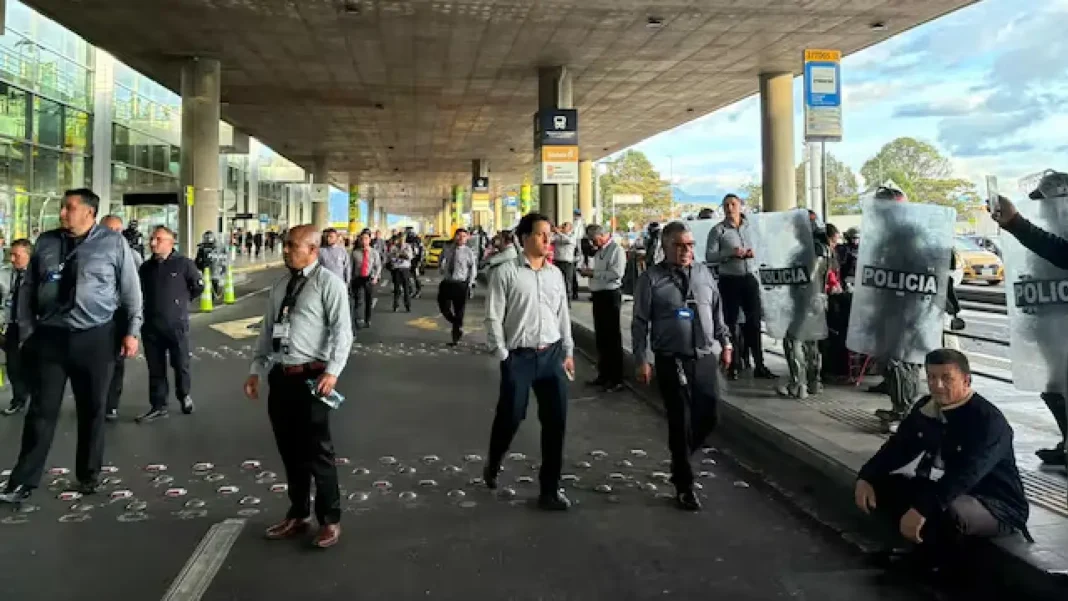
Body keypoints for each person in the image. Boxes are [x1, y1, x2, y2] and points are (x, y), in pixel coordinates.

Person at [0, 189, 143, 504]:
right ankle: (22, 482)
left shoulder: (113, 243)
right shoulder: (47, 243)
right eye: (63, 207)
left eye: (69, 208)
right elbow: (28, 289)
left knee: (92, 409)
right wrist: (27, 331)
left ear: (89, 213)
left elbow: (131, 290)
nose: (62, 213)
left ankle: (88, 475)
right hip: (51, 337)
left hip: (95, 337)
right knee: (41, 411)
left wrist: (132, 331)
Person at [855, 349, 1030, 569]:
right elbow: (898, 447)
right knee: (883, 487)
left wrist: (922, 508)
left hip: (994, 504)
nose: (937, 385)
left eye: (947, 378)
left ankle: (941, 567)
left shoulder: (988, 421)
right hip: (947, 487)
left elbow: (967, 475)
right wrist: (867, 475)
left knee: (946, 510)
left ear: (966, 380)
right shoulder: (927, 407)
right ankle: (911, 549)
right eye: (931, 377)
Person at [244, 224, 353, 548]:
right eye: (285, 244)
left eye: (293, 245)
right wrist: (256, 370)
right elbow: (267, 330)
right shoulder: (281, 285)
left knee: (318, 452)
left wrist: (332, 373)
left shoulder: (327, 284)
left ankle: (330, 520)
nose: (286, 250)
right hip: (282, 376)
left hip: (313, 377)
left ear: (312, 250)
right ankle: (299, 513)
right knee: (289, 451)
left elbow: (342, 333)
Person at [632, 221, 732, 511]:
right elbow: (640, 323)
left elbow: (716, 309)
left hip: (703, 355)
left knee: (710, 414)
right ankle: (685, 485)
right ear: (665, 247)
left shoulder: (703, 273)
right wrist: (642, 358)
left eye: (690, 245)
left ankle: (680, 460)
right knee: (680, 419)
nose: (686, 250)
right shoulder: (651, 279)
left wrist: (725, 343)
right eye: (679, 245)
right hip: (670, 358)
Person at [483, 212, 575, 511]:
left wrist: (568, 352)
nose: (548, 240)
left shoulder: (555, 274)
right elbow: (494, 315)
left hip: (552, 355)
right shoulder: (506, 273)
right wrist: (502, 353)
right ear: (524, 239)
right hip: (519, 357)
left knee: (555, 423)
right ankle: (494, 462)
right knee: (511, 416)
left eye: (549, 234)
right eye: (541, 234)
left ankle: (550, 490)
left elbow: (562, 314)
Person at [992, 186, 1068, 467]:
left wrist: (1016, 223)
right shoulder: (1055, 230)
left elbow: (1061, 253)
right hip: (1054, 330)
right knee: (1054, 387)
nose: (1046, 211)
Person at [136, 226, 204, 423]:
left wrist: (181, 303)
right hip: (151, 325)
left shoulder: (184, 264)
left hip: (176, 324)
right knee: (155, 368)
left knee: (180, 363)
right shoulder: (146, 268)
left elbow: (197, 287)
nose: (153, 243)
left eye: (158, 239)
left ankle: (184, 395)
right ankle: (158, 405)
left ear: (170, 242)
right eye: (151, 239)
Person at [706, 194, 774, 380]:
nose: (730, 208)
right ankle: (733, 364)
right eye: (726, 205)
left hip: (749, 278)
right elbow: (710, 256)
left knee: (754, 323)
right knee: (731, 324)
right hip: (729, 280)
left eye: (733, 204)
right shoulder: (717, 230)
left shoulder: (751, 228)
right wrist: (730, 253)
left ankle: (759, 364)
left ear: (740, 206)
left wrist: (754, 253)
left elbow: (764, 248)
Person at [101, 215, 143, 421]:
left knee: (116, 362)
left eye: (119, 230)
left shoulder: (133, 256)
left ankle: (111, 405)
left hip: (119, 315)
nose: (116, 234)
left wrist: (133, 331)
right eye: (111, 230)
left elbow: (136, 293)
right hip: (95, 317)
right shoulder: (89, 253)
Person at [581, 224, 626, 392]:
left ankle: (616, 378)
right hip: (598, 295)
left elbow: (616, 274)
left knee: (612, 337)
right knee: (601, 337)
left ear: (602, 236)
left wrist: (594, 274)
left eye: (594, 239)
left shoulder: (616, 250)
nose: (593, 243)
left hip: (610, 295)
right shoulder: (599, 251)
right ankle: (604, 374)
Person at [0, 239, 34, 416]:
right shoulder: (4, 275)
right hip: (11, 326)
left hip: (33, 328)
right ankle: (18, 399)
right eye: (10, 255)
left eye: (17, 255)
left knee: (34, 366)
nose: (12, 259)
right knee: (13, 367)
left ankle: (37, 400)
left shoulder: (38, 276)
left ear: (29, 256)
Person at [438, 228, 477, 345]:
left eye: (463, 236)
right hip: (447, 282)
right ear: (454, 236)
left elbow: (473, 269)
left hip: (460, 284)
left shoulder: (468, 252)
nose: (460, 238)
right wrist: (441, 268)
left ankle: (455, 336)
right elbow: (441, 260)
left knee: (459, 310)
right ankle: (456, 323)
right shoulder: (448, 249)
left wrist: (470, 284)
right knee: (443, 307)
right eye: (458, 235)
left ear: (467, 238)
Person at [349, 230, 382, 330]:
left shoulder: (374, 252)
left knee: (368, 300)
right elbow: (350, 267)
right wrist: (349, 279)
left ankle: (368, 319)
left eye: (366, 239)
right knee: (358, 300)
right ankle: (357, 319)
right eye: (362, 239)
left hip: (369, 278)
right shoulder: (355, 253)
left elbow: (378, 266)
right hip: (357, 278)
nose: (364, 241)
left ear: (369, 240)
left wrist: (376, 277)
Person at [387, 233, 414, 312]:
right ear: (398, 239)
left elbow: (409, 257)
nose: (401, 240)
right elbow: (391, 258)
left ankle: (407, 305)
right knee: (397, 289)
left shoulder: (407, 246)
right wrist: (400, 255)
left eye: (403, 238)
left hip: (405, 269)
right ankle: (396, 305)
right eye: (400, 238)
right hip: (397, 269)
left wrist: (399, 255)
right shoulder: (393, 247)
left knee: (406, 288)